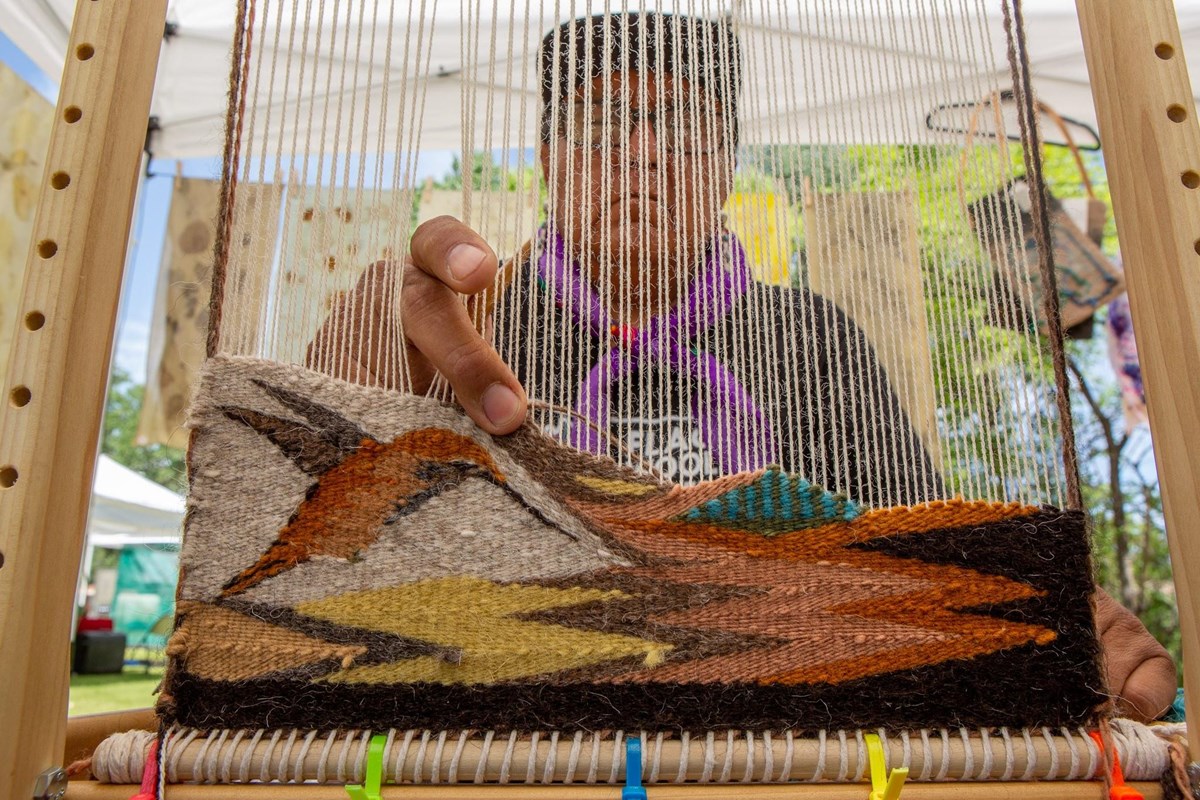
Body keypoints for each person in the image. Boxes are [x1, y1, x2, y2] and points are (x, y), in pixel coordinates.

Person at [310, 11, 1177, 721]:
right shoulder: (462, 331)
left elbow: (931, 562)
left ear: (725, 167)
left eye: (682, 126)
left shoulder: (811, 338)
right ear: (548, 158)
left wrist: (1030, 613)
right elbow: (315, 574)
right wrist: (336, 426)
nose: (642, 151)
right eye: (601, 122)